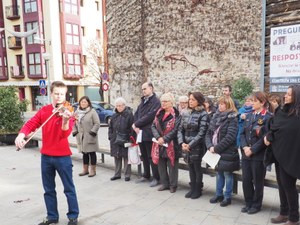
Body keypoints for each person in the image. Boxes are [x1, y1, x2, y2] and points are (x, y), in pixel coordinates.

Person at [15, 81, 79, 225]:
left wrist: (65, 121)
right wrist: (21, 135)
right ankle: (52, 216)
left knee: (69, 188)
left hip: (63, 157)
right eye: (56, 93)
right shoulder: (45, 111)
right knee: (48, 189)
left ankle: (73, 216)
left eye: (62, 94)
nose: (59, 97)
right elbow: (31, 123)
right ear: (51, 94)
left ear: (65, 94)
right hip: (46, 157)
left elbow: (64, 135)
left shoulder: (68, 112)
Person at [264, 85, 300, 225]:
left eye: (289, 94)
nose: (285, 96)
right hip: (279, 153)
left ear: (296, 96)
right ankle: (283, 212)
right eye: (286, 93)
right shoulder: (281, 111)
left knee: (288, 186)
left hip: (292, 155)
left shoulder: (298, 114)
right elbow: (273, 126)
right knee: (281, 184)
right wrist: (269, 135)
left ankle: (294, 217)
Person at [240, 91, 272, 215]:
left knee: (258, 181)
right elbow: (242, 133)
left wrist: (252, 150)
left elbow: (266, 138)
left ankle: (256, 204)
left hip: (258, 155)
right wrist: (244, 147)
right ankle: (248, 202)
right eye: (251, 100)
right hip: (246, 153)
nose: (252, 103)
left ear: (262, 102)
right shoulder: (249, 116)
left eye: (254, 101)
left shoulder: (268, 117)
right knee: (246, 179)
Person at [205, 96, 239, 207]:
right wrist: (210, 146)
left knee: (227, 174)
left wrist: (216, 148)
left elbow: (230, 137)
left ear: (228, 105)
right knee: (219, 173)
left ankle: (227, 197)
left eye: (222, 104)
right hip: (214, 151)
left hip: (227, 152)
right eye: (219, 104)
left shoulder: (232, 118)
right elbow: (208, 133)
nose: (220, 106)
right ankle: (218, 194)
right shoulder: (215, 117)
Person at [178, 92, 209, 199]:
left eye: (193, 100)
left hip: (196, 146)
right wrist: (182, 143)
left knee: (196, 167)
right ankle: (192, 188)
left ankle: (198, 189)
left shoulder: (203, 114)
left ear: (199, 101)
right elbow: (180, 129)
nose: (190, 101)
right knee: (190, 166)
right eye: (189, 99)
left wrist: (190, 144)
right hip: (185, 144)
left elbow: (202, 132)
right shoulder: (185, 112)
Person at [151, 93, 181, 193]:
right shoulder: (159, 113)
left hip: (171, 144)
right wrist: (158, 137)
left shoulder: (176, 115)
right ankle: (165, 183)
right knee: (161, 164)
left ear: (171, 102)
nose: (163, 103)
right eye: (162, 101)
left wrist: (164, 139)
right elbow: (153, 126)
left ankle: (173, 185)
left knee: (172, 165)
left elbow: (175, 130)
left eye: (165, 101)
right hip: (159, 143)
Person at [133, 82, 161, 187]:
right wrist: (136, 126)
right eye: (142, 89)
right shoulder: (143, 101)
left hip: (150, 132)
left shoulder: (156, 101)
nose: (143, 91)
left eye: (145, 88)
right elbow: (136, 114)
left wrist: (137, 124)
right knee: (143, 155)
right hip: (140, 132)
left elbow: (151, 116)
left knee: (151, 156)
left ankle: (156, 177)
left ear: (151, 88)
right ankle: (146, 175)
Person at [73, 96, 100, 177]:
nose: (83, 103)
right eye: (82, 102)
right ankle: (85, 170)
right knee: (84, 153)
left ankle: (93, 170)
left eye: (85, 102)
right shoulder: (77, 112)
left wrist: (92, 132)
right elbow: (73, 123)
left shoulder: (92, 111)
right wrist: (75, 131)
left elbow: (97, 123)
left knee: (92, 153)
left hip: (90, 136)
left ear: (88, 103)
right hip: (81, 136)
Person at [108, 97, 134, 181]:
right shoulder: (114, 115)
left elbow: (132, 127)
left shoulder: (129, 114)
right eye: (117, 106)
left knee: (126, 157)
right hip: (115, 139)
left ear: (124, 105)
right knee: (117, 156)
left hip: (125, 138)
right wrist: (110, 136)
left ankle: (127, 175)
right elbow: (110, 127)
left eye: (120, 105)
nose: (118, 107)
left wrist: (131, 138)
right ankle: (117, 174)